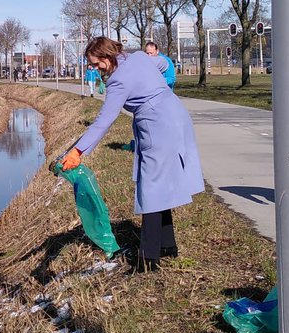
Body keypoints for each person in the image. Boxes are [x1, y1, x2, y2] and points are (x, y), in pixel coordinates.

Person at [58, 37, 204, 271]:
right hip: (176, 115)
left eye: (96, 64)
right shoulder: (139, 57)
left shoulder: (118, 82)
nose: (95, 69)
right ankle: (167, 246)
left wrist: (77, 150)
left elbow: (103, 121)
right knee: (161, 184)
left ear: (108, 56)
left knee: (151, 190)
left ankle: (148, 259)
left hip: (157, 126)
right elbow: (165, 65)